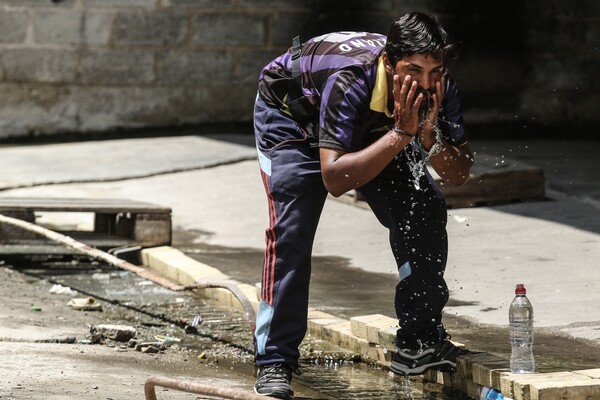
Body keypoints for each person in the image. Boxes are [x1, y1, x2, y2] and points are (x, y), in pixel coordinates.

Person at [252, 12, 474, 399]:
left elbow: (458, 172)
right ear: (389, 62)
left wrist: (424, 134)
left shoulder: (439, 87)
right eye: (413, 70)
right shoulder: (352, 80)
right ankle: (275, 360)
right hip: (292, 119)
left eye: (434, 70)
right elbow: (335, 179)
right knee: (293, 230)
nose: (424, 83)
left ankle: (418, 342)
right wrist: (402, 132)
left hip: (382, 128)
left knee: (424, 207)